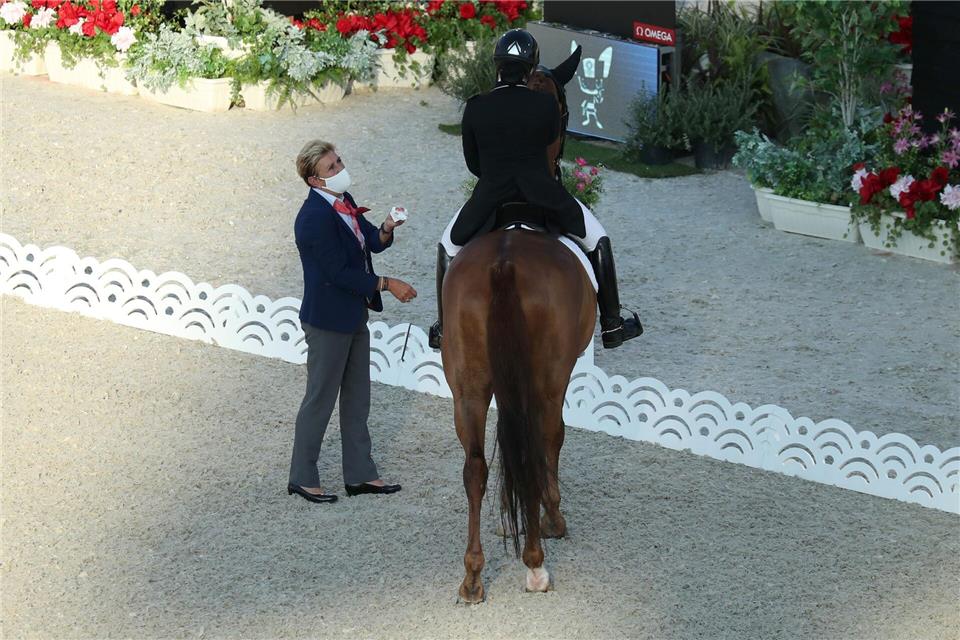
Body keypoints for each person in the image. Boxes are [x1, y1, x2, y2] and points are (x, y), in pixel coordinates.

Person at [428, 28, 642, 351]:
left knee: (447, 247)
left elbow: (475, 166)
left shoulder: (475, 107)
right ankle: (612, 323)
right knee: (598, 239)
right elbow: (549, 147)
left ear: (496, 65)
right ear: (531, 68)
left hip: (490, 197)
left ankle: (443, 329)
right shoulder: (544, 106)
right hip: (541, 193)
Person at [288, 140, 417, 504]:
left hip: (353, 313)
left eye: (338, 160)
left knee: (358, 399)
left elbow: (370, 243)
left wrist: (388, 227)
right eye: (331, 167)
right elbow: (339, 272)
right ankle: (302, 476)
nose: (340, 169)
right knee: (320, 399)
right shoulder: (313, 218)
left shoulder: (343, 201)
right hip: (328, 320)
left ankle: (360, 475)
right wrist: (388, 284)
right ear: (315, 180)